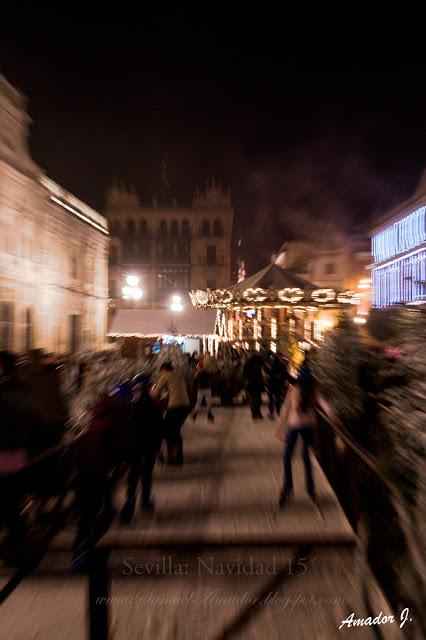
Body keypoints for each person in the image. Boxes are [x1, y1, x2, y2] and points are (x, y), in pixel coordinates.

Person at [275, 358, 331, 507]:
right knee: (306, 457)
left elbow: (285, 411)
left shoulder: (294, 391)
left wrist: (280, 430)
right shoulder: (314, 392)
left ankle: (288, 487)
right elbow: (327, 407)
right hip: (309, 427)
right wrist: (336, 420)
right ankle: (311, 490)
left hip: (295, 426)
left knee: (287, 457)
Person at [120, 374, 163, 521]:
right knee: (146, 474)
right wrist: (158, 448)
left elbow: (127, 425)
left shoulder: (132, 402)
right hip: (148, 445)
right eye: (151, 386)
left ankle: (130, 503)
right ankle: (144, 501)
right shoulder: (152, 404)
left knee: (133, 474)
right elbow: (158, 427)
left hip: (134, 444)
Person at [154, 362, 190, 465]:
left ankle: (173, 458)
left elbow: (156, 393)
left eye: (160, 371)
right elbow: (175, 390)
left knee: (170, 432)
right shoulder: (178, 375)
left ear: (163, 369)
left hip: (175, 406)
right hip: (185, 406)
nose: (160, 373)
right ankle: (178, 457)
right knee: (175, 430)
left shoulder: (165, 376)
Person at [266, 352, 289, 419]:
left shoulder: (272, 365)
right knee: (278, 399)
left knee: (270, 399)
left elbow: (269, 374)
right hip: (279, 385)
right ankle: (279, 412)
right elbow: (286, 375)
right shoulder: (282, 365)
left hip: (271, 384)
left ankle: (271, 413)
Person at [243, 350, 265, 419]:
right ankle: (258, 413)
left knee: (252, 398)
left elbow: (244, 372)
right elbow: (264, 369)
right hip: (258, 382)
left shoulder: (248, 362)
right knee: (257, 398)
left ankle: (254, 414)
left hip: (250, 382)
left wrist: (246, 379)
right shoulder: (259, 361)